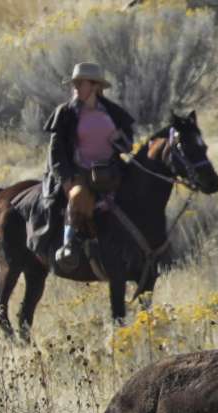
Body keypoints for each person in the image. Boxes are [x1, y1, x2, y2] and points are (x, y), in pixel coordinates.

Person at [43, 62, 135, 269]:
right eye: (74, 84)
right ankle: (69, 244)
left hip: (111, 171)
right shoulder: (65, 113)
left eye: (79, 84)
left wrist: (120, 140)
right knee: (77, 196)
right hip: (79, 172)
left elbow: (127, 145)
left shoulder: (112, 113)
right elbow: (55, 152)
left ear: (94, 86)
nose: (75, 88)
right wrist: (66, 179)